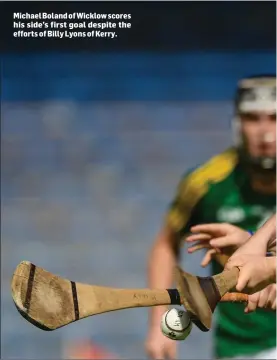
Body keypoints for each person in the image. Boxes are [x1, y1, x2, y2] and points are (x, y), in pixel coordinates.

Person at [145, 75, 276, 360]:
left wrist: (257, 250)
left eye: (275, 118)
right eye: (253, 118)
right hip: (242, 348)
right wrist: (158, 324)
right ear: (237, 124)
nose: (265, 131)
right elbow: (165, 245)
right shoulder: (207, 182)